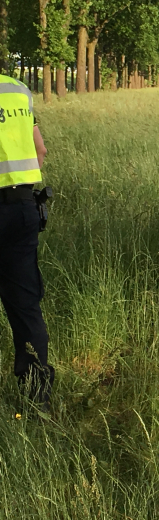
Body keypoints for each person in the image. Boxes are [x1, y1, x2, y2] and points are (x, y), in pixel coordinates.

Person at [0, 73, 52, 410]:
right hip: (22, 210)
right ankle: (39, 399)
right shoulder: (17, 89)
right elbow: (40, 150)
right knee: (25, 305)